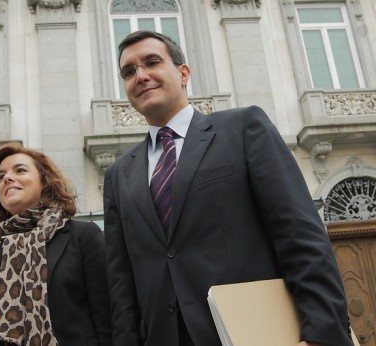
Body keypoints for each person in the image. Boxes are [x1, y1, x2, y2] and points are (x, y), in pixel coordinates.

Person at [103, 30, 352, 346]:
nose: (141, 75)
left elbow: (299, 234)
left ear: (183, 73)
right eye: (129, 71)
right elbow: (121, 283)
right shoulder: (118, 174)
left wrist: (322, 333)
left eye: (152, 62)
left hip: (255, 333)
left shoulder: (243, 129)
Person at [0, 142, 112, 346]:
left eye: (20, 170)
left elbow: (107, 316)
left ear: (44, 182)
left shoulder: (82, 236)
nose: (7, 179)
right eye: (0, 178)